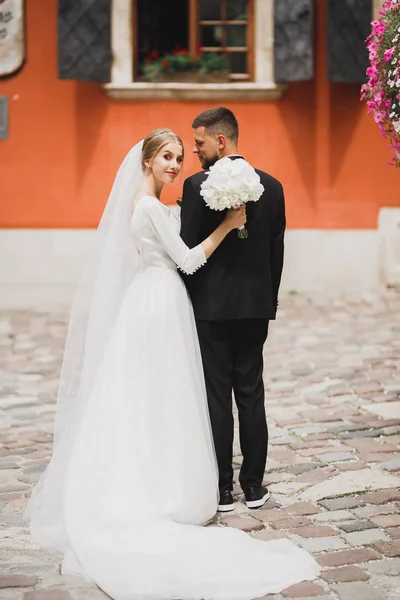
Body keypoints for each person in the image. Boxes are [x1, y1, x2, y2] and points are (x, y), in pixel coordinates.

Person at [24, 129, 318, 600]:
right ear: (146, 160)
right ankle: (157, 485)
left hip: (155, 300)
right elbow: (186, 259)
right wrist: (227, 225)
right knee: (163, 393)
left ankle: (160, 471)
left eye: (180, 157)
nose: (175, 165)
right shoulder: (146, 206)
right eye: (166, 157)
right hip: (160, 301)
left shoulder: (154, 206)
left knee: (155, 396)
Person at [180, 107, 286, 512]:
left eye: (200, 143)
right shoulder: (273, 187)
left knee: (216, 396)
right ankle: (254, 487)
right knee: (251, 392)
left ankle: (223, 489)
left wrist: (189, 302)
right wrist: (268, 300)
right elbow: (276, 251)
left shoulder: (195, 187)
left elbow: (189, 252)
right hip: (255, 307)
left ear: (220, 141)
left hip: (212, 307)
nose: (195, 152)